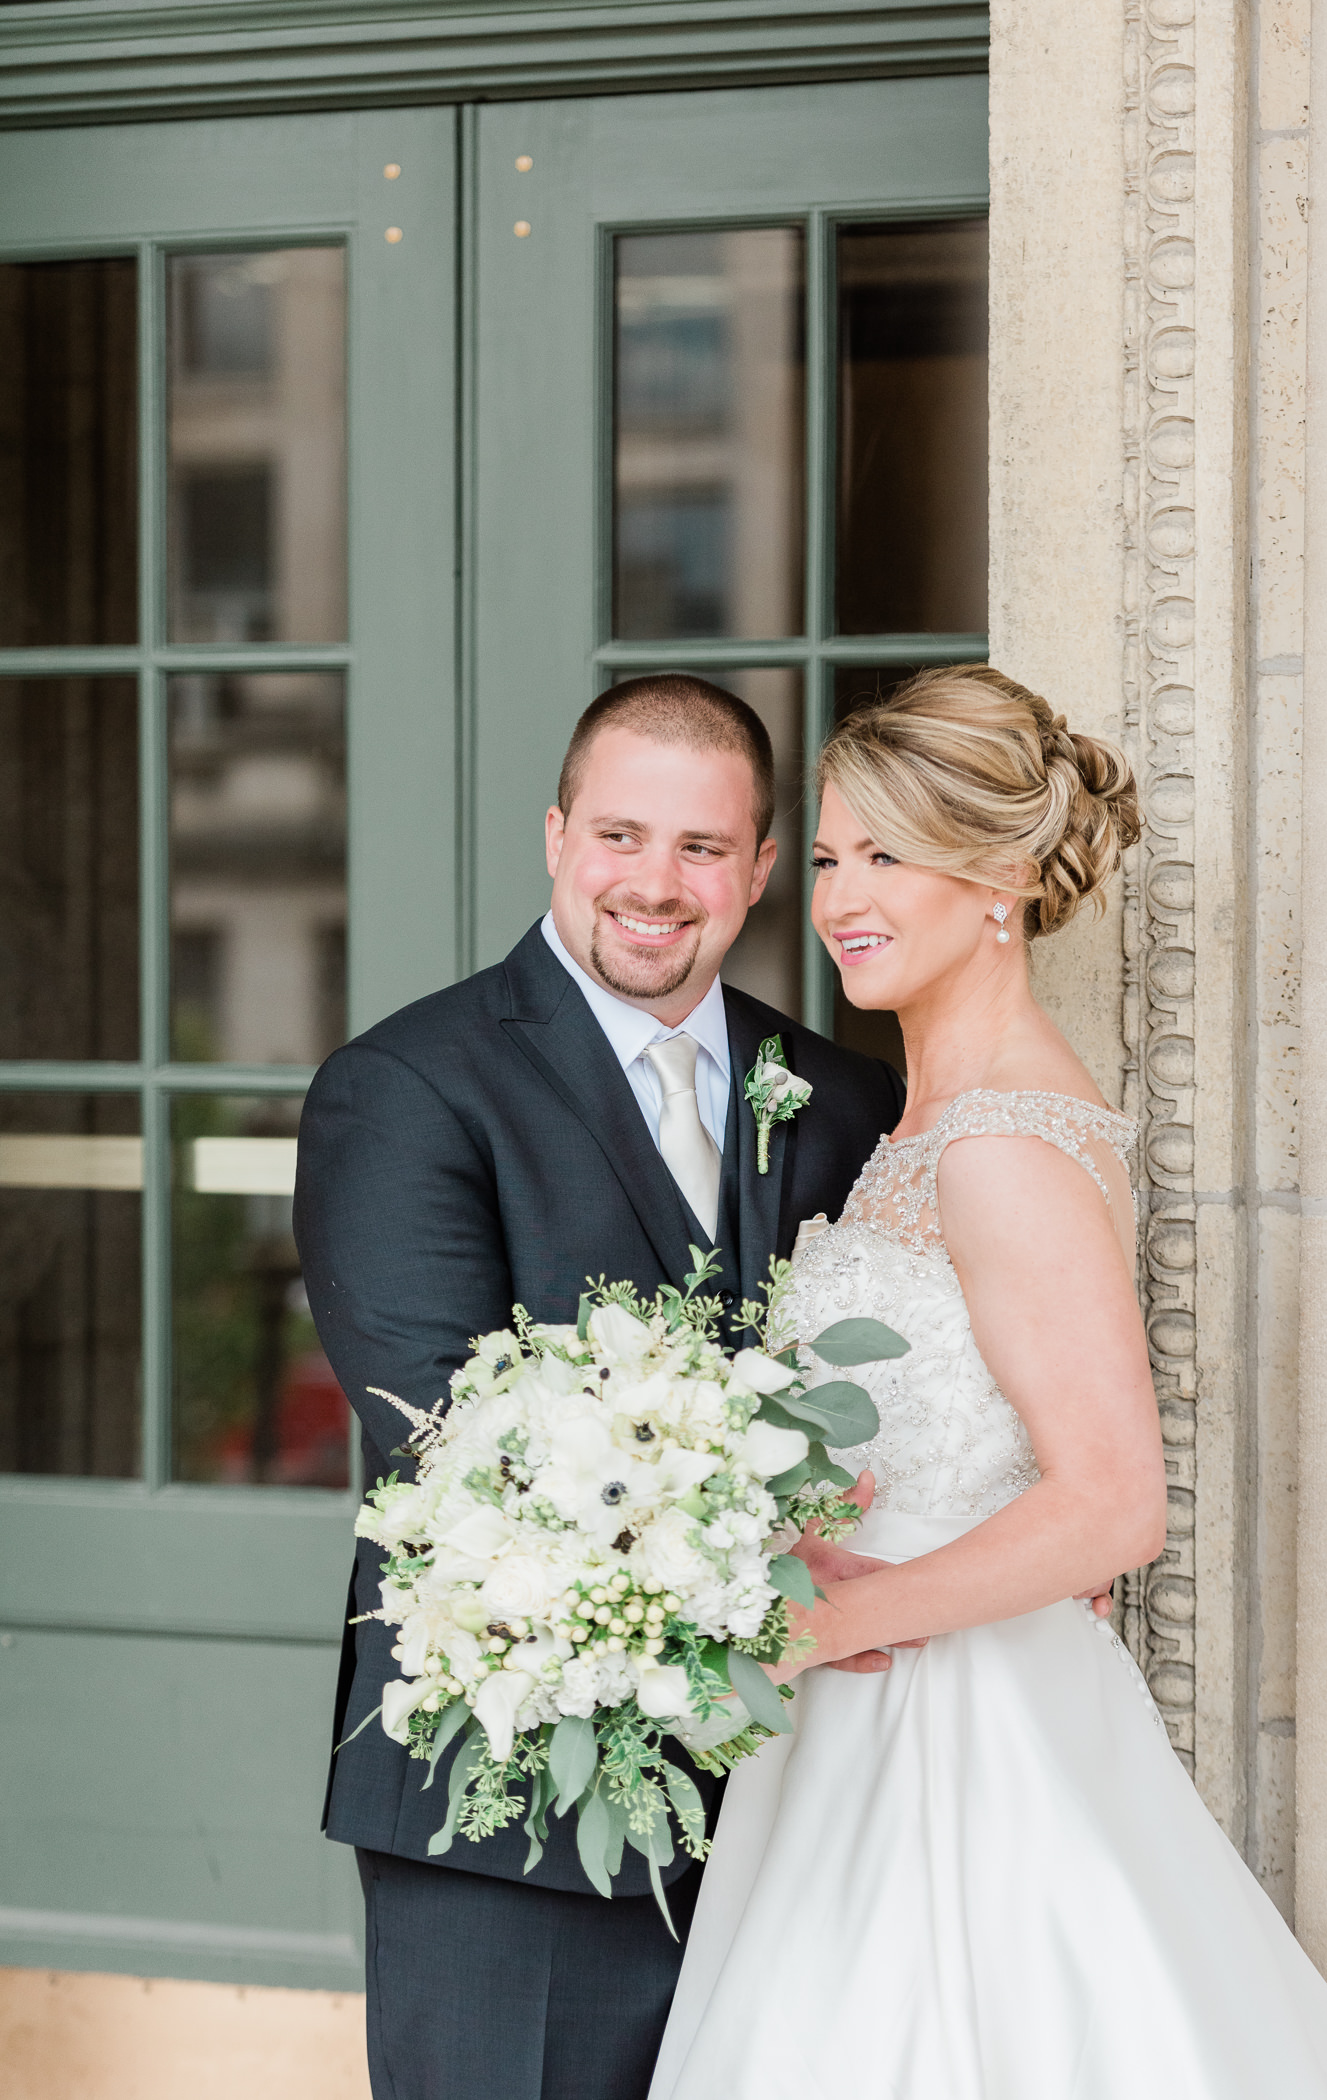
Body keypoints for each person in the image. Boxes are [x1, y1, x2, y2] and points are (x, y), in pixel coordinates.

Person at [650, 666, 1327, 2100]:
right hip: (865, 1711)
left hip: (954, 1729)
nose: (840, 896)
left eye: (887, 854)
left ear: (997, 876)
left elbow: (1112, 1507)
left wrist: (822, 1623)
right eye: (824, 857)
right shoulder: (918, 1120)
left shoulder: (999, 1147)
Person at [292, 675, 910, 2100]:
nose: (655, 884)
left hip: (802, 1795)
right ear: (557, 836)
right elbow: (446, 1441)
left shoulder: (839, 1095)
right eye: (621, 835)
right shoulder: (409, 1085)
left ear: (759, 869)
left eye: (702, 848)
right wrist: (777, 1574)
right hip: (515, 1791)